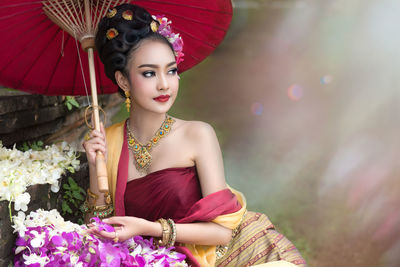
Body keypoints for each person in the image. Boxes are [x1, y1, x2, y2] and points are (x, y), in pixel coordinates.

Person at [83, 4, 307, 267]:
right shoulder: (107, 141)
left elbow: (222, 232)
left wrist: (152, 228)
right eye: (149, 73)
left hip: (228, 254)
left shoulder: (197, 134)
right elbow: (98, 228)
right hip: (155, 260)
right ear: (123, 81)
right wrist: (96, 172)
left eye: (171, 70)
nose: (164, 84)